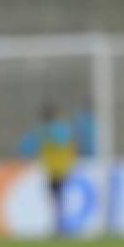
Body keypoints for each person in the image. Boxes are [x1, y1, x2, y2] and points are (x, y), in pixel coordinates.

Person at [33, 102, 78, 237]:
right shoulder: (49, 129)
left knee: (58, 199)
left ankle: (61, 227)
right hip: (53, 169)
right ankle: (59, 226)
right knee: (56, 199)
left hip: (59, 169)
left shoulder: (54, 130)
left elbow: (62, 144)